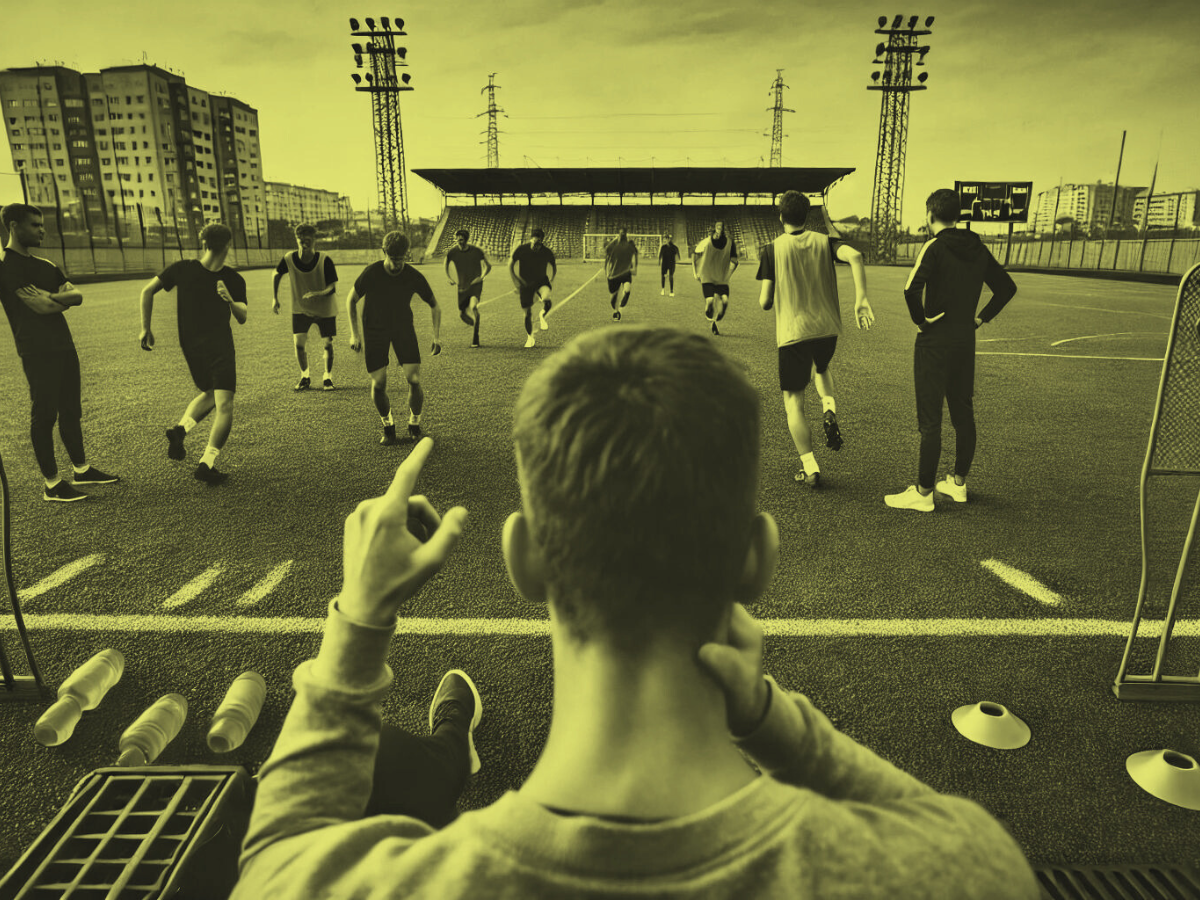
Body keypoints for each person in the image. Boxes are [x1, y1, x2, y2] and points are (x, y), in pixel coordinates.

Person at [230, 328, 1042, 900]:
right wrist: (770, 722)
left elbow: (276, 855)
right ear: (756, 561)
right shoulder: (963, 874)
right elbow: (942, 824)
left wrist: (357, 627)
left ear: (524, 562)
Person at [885, 188, 1017, 512]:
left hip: (934, 342)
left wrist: (921, 321)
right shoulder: (976, 246)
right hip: (964, 341)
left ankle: (924, 492)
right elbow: (1006, 288)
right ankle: (958, 484)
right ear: (958, 215)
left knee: (930, 421)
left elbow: (909, 289)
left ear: (930, 216)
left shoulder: (935, 246)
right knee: (963, 414)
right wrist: (980, 318)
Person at [0, 203, 117, 501]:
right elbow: (42, 307)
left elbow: (75, 295)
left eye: (42, 224)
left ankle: (82, 468)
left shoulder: (46, 266)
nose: (42, 229)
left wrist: (56, 298)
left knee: (71, 411)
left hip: (64, 346)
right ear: (13, 226)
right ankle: (52, 484)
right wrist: (59, 299)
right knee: (44, 415)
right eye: (35, 225)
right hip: (36, 351)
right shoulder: (7, 268)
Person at [757, 191, 873, 488]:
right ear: (807, 216)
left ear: (781, 216)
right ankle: (829, 407)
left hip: (793, 333)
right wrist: (861, 298)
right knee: (820, 369)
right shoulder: (825, 242)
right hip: (827, 330)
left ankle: (809, 468)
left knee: (793, 401)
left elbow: (765, 301)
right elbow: (856, 256)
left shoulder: (771, 250)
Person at [139, 223, 248, 485]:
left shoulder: (183, 268)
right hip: (219, 347)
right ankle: (206, 464)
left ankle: (180, 431)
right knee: (225, 405)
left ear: (203, 244)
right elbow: (242, 317)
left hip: (190, 347)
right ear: (228, 245)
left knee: (211, 394)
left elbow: (146, 291)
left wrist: (145, 328)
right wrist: (230, 299)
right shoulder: (232, 278)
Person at [347, 231, 441, 445]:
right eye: (393, 258)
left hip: (402, 328)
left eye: (402, 258)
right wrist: (355, 334)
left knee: (414, 379)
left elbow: (435, 305)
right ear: (384, 252)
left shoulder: (413, 275)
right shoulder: (371, 273)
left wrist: (436, 336)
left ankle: (414, 424)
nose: (398, 263)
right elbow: (350, 300)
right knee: (379, 383)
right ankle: (388, 426)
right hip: (374, 330)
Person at [273, 224, 339, 391]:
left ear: (314, 240)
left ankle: (327, 377)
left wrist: (318, 293)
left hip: (325, 308)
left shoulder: (325, 260)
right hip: (301, 308)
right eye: (302, 240)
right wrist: (275, 298)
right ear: (297, 240)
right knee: (299, 344)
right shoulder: (288, 258)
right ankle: (305, 377)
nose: (305, 243)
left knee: (327, 344)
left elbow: (332, 287)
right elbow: (277, 273)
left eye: (308, 240)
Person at [508, 228, 556, 349]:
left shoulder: (547, 252)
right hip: (525, 284)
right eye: (534, 243)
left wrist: (551, 278)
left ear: (542, 242)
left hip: (541, 282)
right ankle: (530, 337)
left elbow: (553, 266)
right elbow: (510, 264)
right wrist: (516, 282)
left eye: (539, 244)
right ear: (531, 240)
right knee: (527, 313)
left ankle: (542, 315)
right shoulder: (521, 250)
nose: (536, 246)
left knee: (546, 299)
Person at [444, 228, 491, 349]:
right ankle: (475, 323)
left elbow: (488, 266)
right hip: (462, 286)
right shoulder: (453, 252)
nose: (460, 242)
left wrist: (482, 277)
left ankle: (476, 337)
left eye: (462, 240)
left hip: (475, 285)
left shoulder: (476, 251)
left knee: (474, 307)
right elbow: (446, 263)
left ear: (466, 240)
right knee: (462, 313)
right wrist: (449, 277)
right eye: (458, 240)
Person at [692, 220, 739, 336]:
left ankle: (715, 322)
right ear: (714, 229)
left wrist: (729, 274)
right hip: (707, 276)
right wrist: (695, 272)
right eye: (717, 228)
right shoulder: (706, 242)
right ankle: (712, 321)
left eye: (721, 228)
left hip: (721, 278)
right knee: (710, 301)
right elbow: (694, 254)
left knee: (725, 301)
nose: (719, 230)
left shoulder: (730, 243)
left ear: (724, 230)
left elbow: (735, 261)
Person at [604, 227, 638, 322]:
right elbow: (607, 250)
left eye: (623, 233)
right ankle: (616, 311)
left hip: (626, 272)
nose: (622, 235)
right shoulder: (614, 246)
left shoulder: (629, 245)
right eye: (621, 233)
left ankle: (621, 307)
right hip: (615, 272)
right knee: (613, 296)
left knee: (627, 290)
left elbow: (635, 253)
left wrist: (635, 268)